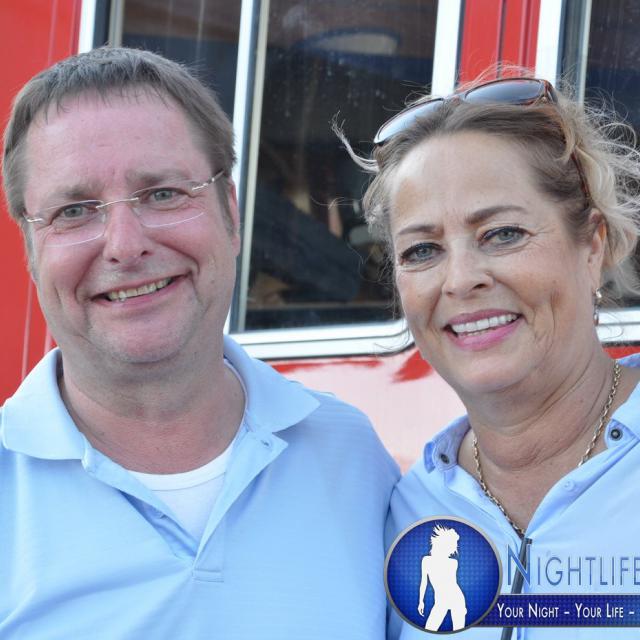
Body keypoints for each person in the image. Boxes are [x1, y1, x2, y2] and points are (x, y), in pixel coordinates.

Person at [0, 47, 399, 639]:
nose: (125, 245)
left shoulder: (350, 456)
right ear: (32, 251)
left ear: (230, 213)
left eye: (163, 193)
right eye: (75, 210)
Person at [337, 75, 640, 638]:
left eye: (502, 234)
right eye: (422, 250)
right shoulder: (403, 513)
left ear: (593, 247)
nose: (460, 280)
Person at [418, 525, 466, 632]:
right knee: (429, 629)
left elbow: (452, 584)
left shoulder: (453, 563)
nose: (453, 549)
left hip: (456, 599)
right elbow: (423, 583)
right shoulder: (426, 561)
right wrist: (421, 601)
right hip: (440, 601)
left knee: (459, 633)